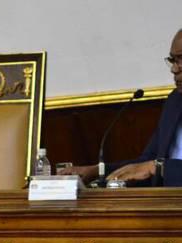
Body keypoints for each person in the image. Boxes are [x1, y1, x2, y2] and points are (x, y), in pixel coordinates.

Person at [61, 28, 182, 186]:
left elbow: (153, 166)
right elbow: (146, 162)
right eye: (173, 60)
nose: (174, 69)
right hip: (165, 198)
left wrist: (159, 167)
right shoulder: (174, 101)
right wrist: (98, 171)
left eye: (181, 59)